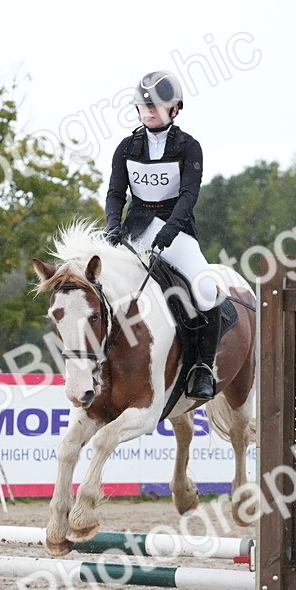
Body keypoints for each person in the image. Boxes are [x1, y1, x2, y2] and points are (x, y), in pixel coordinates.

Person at [104, 70, 223, 400]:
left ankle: (202, 366)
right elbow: (116, 193)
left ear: (175, 109)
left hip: (177, 231)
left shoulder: (189, 147)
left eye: (156, 105)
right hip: (135, 229)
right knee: (101, 284)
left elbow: (188, 196)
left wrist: (169, 233)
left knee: (206, 288)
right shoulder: (126, 148)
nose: (148, 111)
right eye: (144, 106)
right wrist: (112, 224)